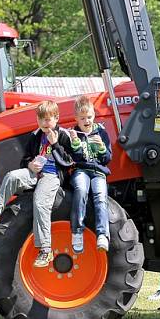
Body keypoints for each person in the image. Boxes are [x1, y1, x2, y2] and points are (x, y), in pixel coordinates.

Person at [0, 100, 73, 267]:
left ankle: (45, 249)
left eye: (48, 119)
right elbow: (25, 159)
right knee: (12, 176)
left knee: (40, 202)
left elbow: (69, 162)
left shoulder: (63, 135)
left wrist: (55, 144)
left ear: (56, 119)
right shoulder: (35, 135)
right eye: (41, 119)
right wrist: (30, 165)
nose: (44, 123)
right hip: (35, 173)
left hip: (52, 175)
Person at [67, 95, 112, 253]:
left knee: (100, 196)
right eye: (83, 118)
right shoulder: (74, 133)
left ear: (94, 115)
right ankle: (77, 231)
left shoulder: (101, 133)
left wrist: (101, 148)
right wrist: (76, 144)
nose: (87, 121)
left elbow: (107, 159)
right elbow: (74, 159)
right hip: (81, 169)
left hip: (98, 171)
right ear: (77, 119)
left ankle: (102, 234)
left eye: (89, 117)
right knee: (80, 190)